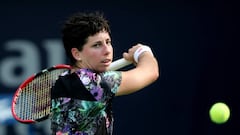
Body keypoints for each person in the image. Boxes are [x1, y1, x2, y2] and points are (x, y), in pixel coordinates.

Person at [50, 11, 159, 135]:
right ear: (77, 54)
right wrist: (143, 51)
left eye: (108, 42)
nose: (107, 50)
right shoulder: (93, 84)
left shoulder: (63, 80)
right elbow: (150, 72)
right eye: (97, 45)